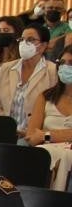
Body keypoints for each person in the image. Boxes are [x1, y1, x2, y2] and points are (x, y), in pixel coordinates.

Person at [0, 24, 55, 139]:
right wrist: (7, 127)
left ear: (43, 46)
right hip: (5, 133)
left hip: (34, 135)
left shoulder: (52, 71)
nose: (24, 43)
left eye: (30, 40)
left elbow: (52, 111)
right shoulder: (7, 68)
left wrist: (30, 132)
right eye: (22, 39)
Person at [25, 45, 72, 189]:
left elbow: (40, 135)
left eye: (71, 63)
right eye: (62, 63)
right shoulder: (45, 97)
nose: (65, 67)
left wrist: (46, 135)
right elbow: (32, 137)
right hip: (46, 155)